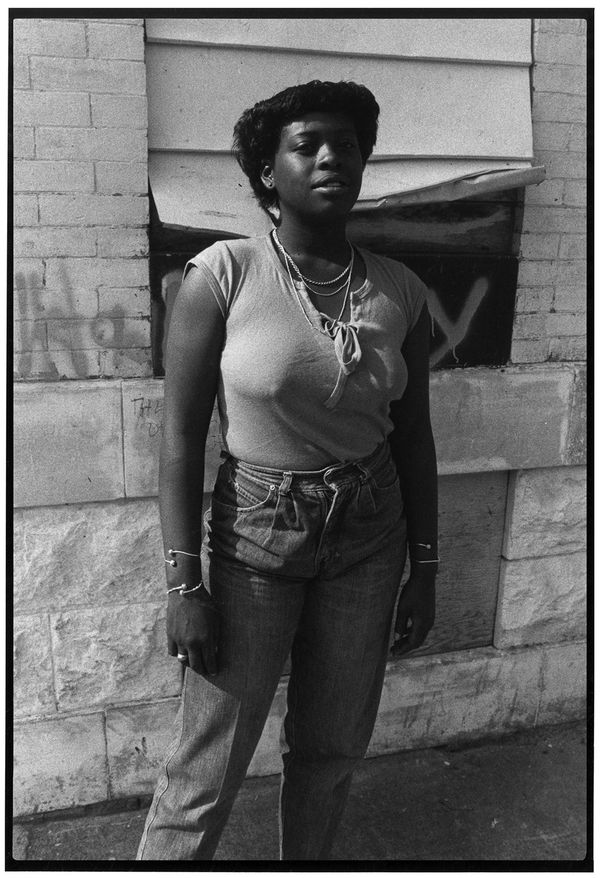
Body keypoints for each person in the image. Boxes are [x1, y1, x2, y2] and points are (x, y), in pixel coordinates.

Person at [137, 79, 438, 862]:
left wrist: (427, 567)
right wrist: (184, 586)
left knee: (331, 751)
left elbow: (414, 438)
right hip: (256, 541)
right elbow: (180, 439)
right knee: (205, 768)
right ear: (268, 172)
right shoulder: (222, 275)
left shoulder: (401, 290)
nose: (333, 157)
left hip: (371, 536)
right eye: (308, 145)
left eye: (349, 145)